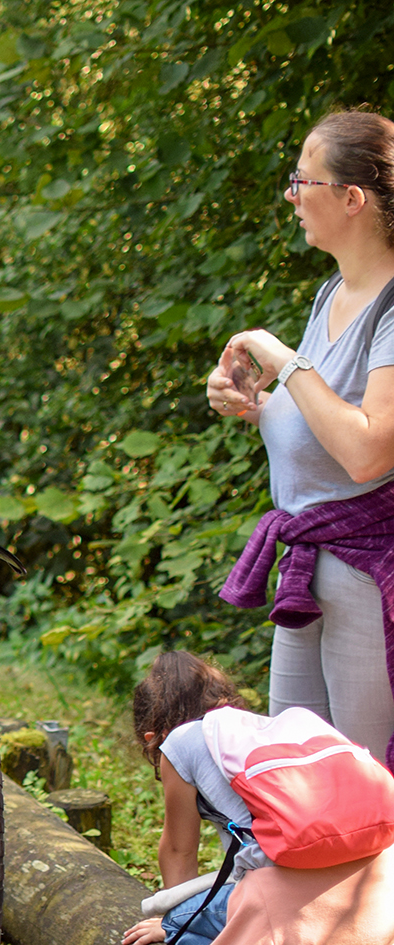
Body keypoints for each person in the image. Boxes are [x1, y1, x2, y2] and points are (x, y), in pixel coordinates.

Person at [212, 110, 394, 762]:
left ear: (352, 198)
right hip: (308, 565)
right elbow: (323, 418)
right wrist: (256, 406)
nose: (291, 195)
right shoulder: (330, 295)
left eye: (302, 180)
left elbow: (368, 449)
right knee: (297, 771)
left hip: (369, 572)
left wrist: (281, 357)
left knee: (367, 784)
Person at [121, 651, 394, 945]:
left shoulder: (179, 743)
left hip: (298, 908)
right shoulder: (271, 729)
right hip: (379, 894)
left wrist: (175, 922)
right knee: (353, 929)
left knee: (196, 935)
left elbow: (178, 850)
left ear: (151, 733)